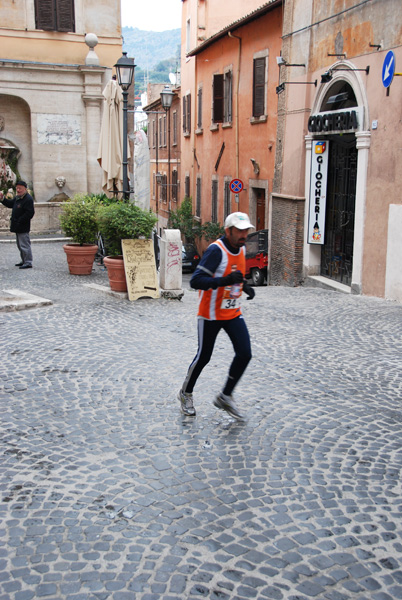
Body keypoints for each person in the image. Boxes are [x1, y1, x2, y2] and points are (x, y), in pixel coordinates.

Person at [178, 212, 256, 420]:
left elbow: (235, 274)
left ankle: (225, 396)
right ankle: (185, 393)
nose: (243, 235)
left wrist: (245, 286)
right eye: (239, 231)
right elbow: (196, 281)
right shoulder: (216, 250)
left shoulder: (241, 248)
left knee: (245, 353)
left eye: (245, 231)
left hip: (232, 312)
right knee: (204, 356)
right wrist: (225, 280)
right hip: (210, 314)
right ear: (228, 231)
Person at [0, 180, 35, 269]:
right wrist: (2, 199)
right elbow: (10, 204)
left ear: (25, 189)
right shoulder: (17, 198)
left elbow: (30, 213)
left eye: (20, 188)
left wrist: (20, 220)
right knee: (20, 245)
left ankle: (28, 262)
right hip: (17, 226)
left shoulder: (28, 199)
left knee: (24, 244)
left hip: (22, 226)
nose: (18, 190)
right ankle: (24, 260)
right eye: (17, 188)